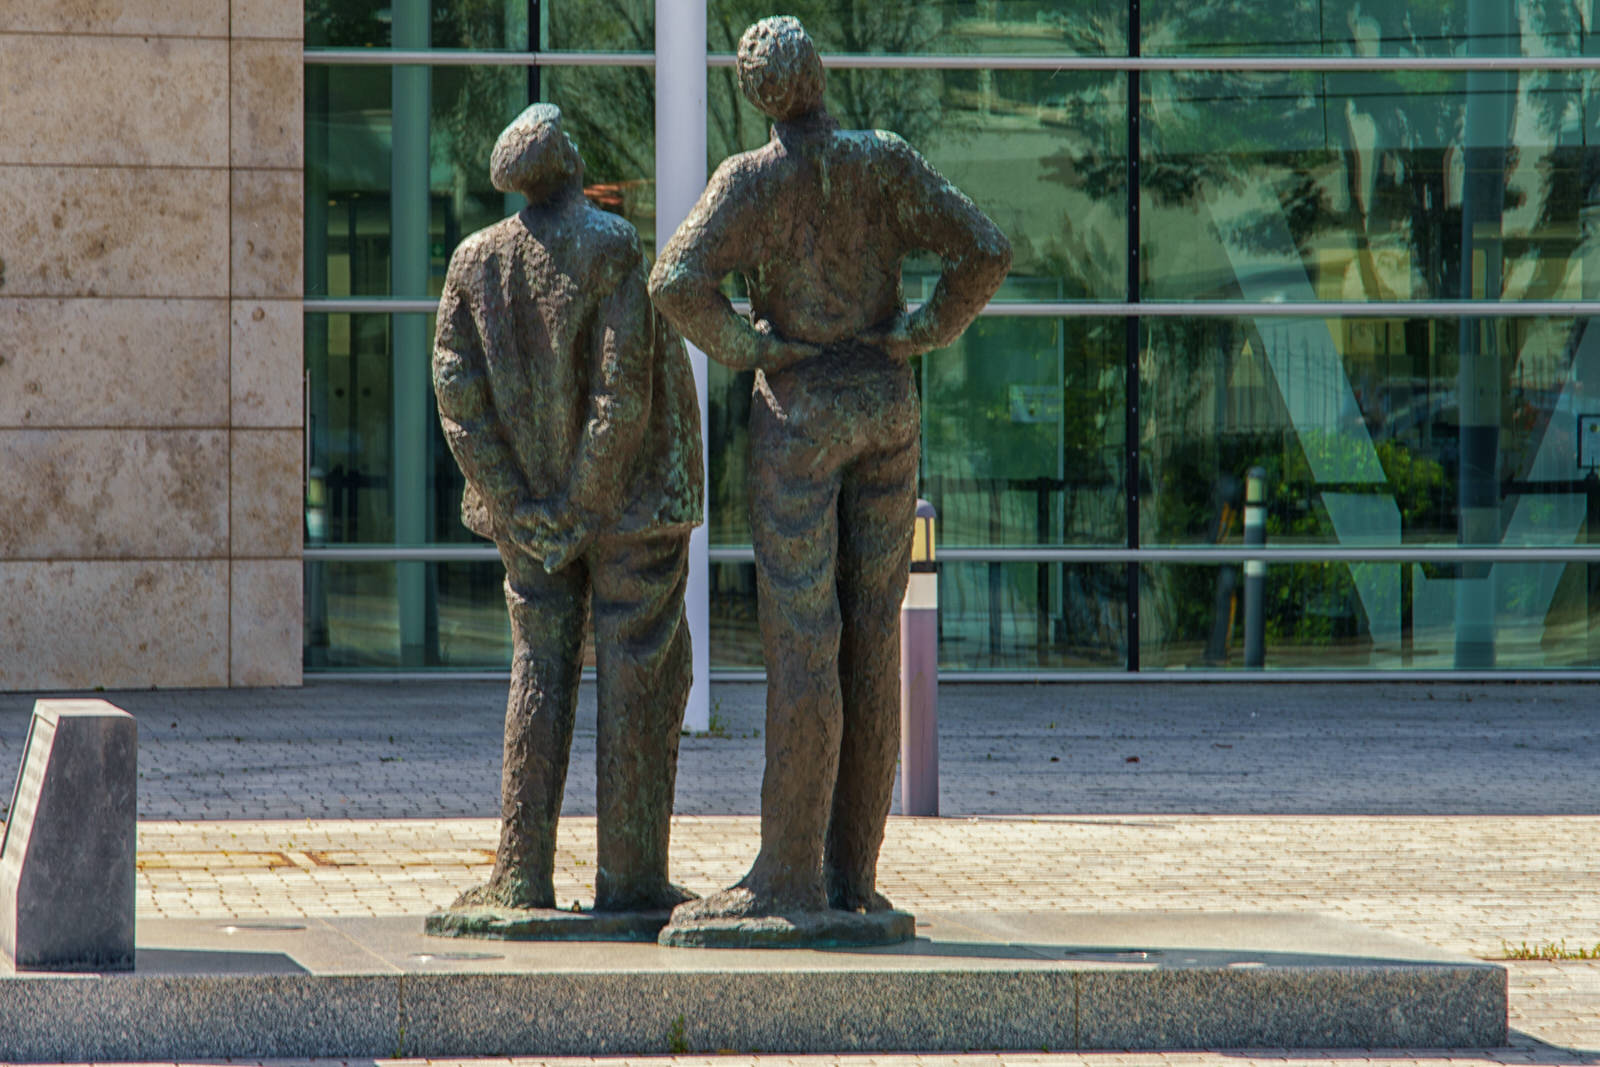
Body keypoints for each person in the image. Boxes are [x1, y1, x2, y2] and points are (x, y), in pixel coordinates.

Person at [649, 16, 1010, 941]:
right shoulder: (881, 161)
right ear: (819, 74)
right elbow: (984, 249)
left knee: (806, 635)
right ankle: (853, 872)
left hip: (803, 411)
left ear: (756, 97)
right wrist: (923, 329)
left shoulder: (752, 182)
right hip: (884, 402)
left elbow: (675, 281)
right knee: (872, 637)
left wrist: (754, 347)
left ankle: (790, 873)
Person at [432, 103, 702, 921]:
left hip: (536, 518)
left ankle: (522, 874)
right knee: (641, 672)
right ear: (573, 163)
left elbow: (457, 392)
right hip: (624, 508)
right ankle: (631, 879)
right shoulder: (612, 246)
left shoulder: (473, 260)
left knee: (538, 666)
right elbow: (620, 395)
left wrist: (522, 504)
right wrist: (581, 503)